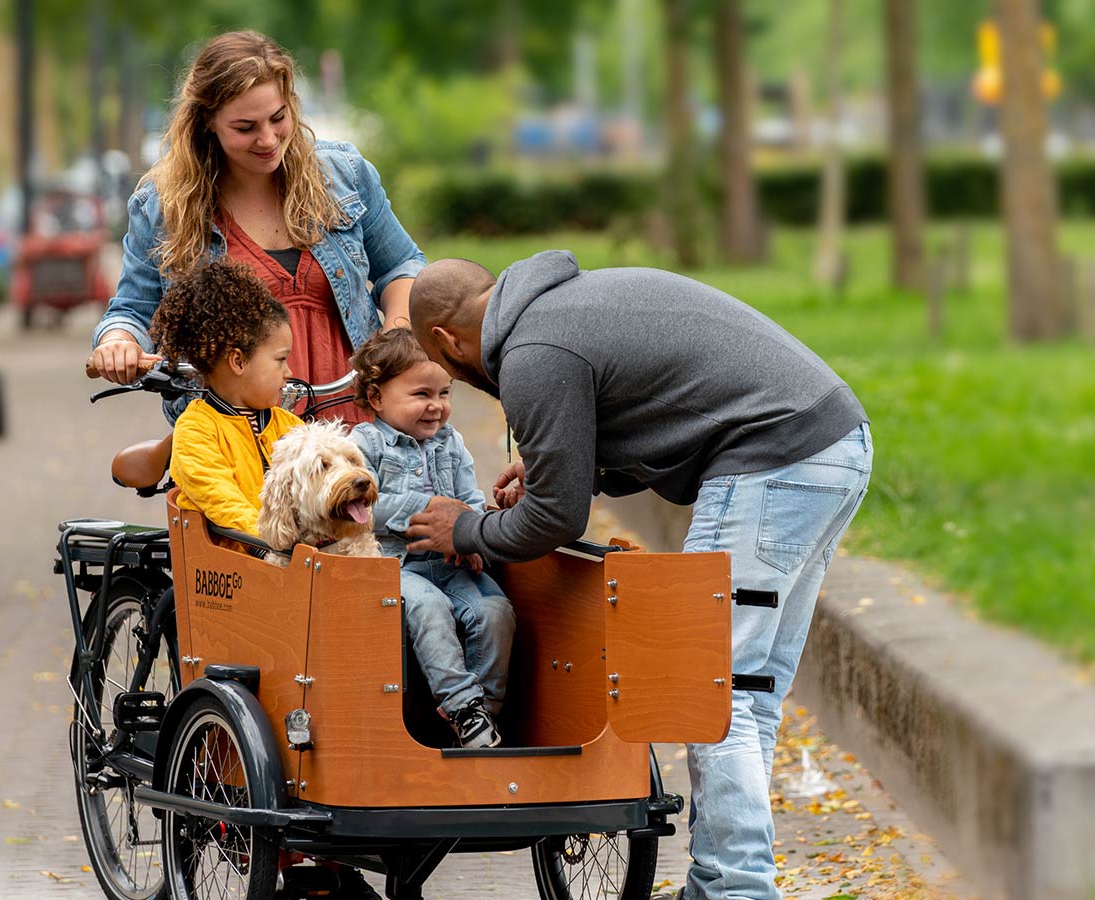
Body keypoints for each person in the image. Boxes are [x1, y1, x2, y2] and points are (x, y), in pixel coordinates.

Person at [401, 251, 872, 900]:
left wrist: (463, 529)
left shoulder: (533, 352)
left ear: (445, 342)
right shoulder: (558, 308)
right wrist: (563, 470)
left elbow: (554, 523)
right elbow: (634, 422)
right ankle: (722, 882)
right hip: (834, 445)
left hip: (771, 458)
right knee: (746, 691)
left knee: (711, 693)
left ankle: (737, 891)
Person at [88, 30, 425, 427]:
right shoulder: (162, 207)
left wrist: (395, 335)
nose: (268, 139)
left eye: (278, 118)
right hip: (238, 440)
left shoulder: (343, 175)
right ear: (207, 121)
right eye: (245, 128)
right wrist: (118, 343)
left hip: (361, 429)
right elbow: (133, 310)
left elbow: (403, 265)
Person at [345, 328, 514, 749]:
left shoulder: (451, 442)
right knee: (429, 608)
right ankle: (460, 704)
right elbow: (361, 510)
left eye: (445, 393)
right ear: (377, 396)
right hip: (396, 565)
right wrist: (428, 511)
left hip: (454, 564)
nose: (436, 406)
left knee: (496, 612)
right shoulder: (364, 444)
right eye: (421, 394)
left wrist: (471, 535)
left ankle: (481, 716)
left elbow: (469, 498)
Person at [155, 260, 302, 534]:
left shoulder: (290, 426)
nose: (289, 372)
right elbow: (223, 503)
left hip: (287, 563)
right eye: (281, 360)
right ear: (238, 361)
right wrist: (276, 544)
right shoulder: (196, 431)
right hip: (233, 564)